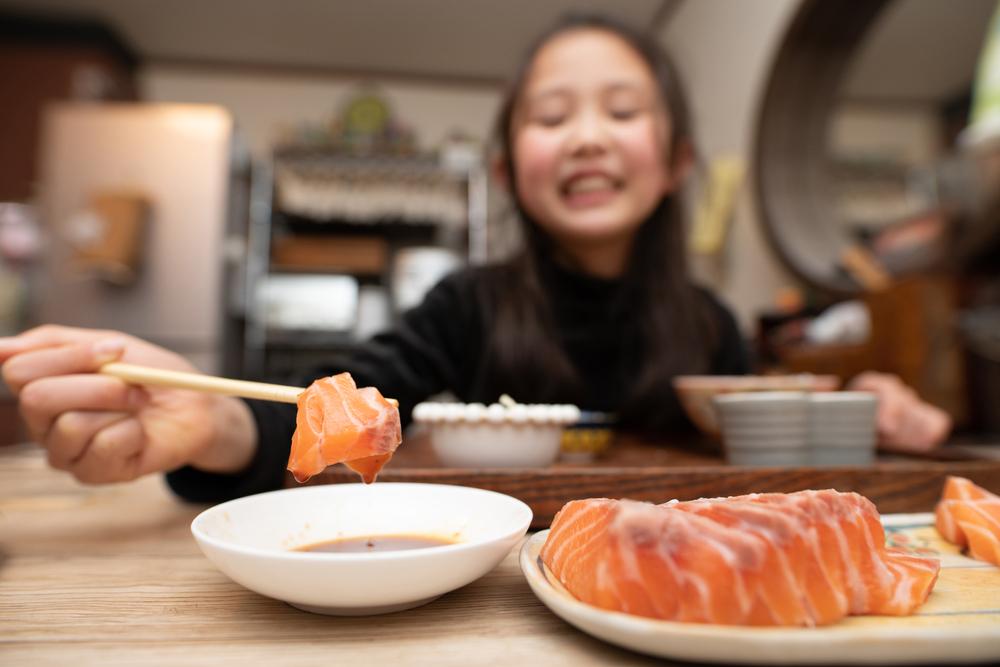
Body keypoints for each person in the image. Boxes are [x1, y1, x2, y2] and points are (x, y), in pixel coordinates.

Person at [0, 15, 951, 501]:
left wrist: (864, 405)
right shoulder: (464, 306)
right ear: (506, 167)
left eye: (621, 112)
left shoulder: (707, 322)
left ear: (676, 164)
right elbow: (342, 407)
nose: (585, 136)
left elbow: (760, 430)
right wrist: (215, 425)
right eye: (551, 116)